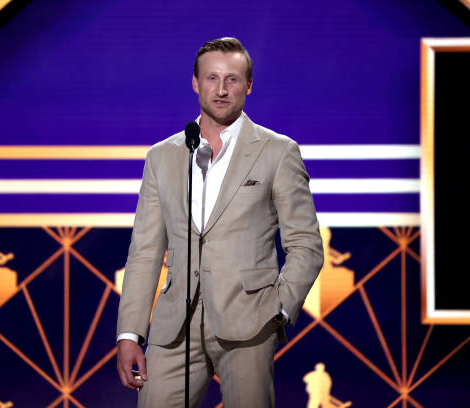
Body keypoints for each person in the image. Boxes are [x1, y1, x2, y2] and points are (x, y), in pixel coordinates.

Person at [116, 37, 323, 407]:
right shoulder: (162, 157)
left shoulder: (278, 151)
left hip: (250, 325)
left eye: (232, 79)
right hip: (173, 327)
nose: (222, 89)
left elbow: (306, 244)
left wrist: (278, 309)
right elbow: (145, 252)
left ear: (248, 85)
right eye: (212, 78)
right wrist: (130, 333)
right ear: (195, 83)